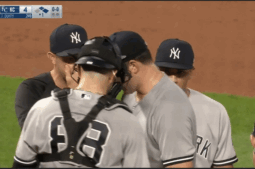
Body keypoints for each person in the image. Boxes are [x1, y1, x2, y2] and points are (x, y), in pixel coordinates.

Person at [12, 37, 150, 168]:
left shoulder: (41, 109)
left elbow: (21, 164)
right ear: (114, 73)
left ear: (77, 69)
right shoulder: (128, 122)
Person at [109, 31, 197, 168]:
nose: (114, 78)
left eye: (117, 71)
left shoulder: (171, 109)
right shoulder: (131, 92)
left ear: (133, 67)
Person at [154, 38, 238, 168]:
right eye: (166, 72)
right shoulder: (136, 107)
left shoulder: (215, 112)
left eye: (180, 73)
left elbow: (224, 166)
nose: (173, 79)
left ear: (190, 73)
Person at [15, 23, 88, 129]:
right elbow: (31, 131)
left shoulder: (93, 88)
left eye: (81, 58)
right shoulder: (32, 89)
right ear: (53, 57)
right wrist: (73, 94)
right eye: (69, 59)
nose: (76, 65)